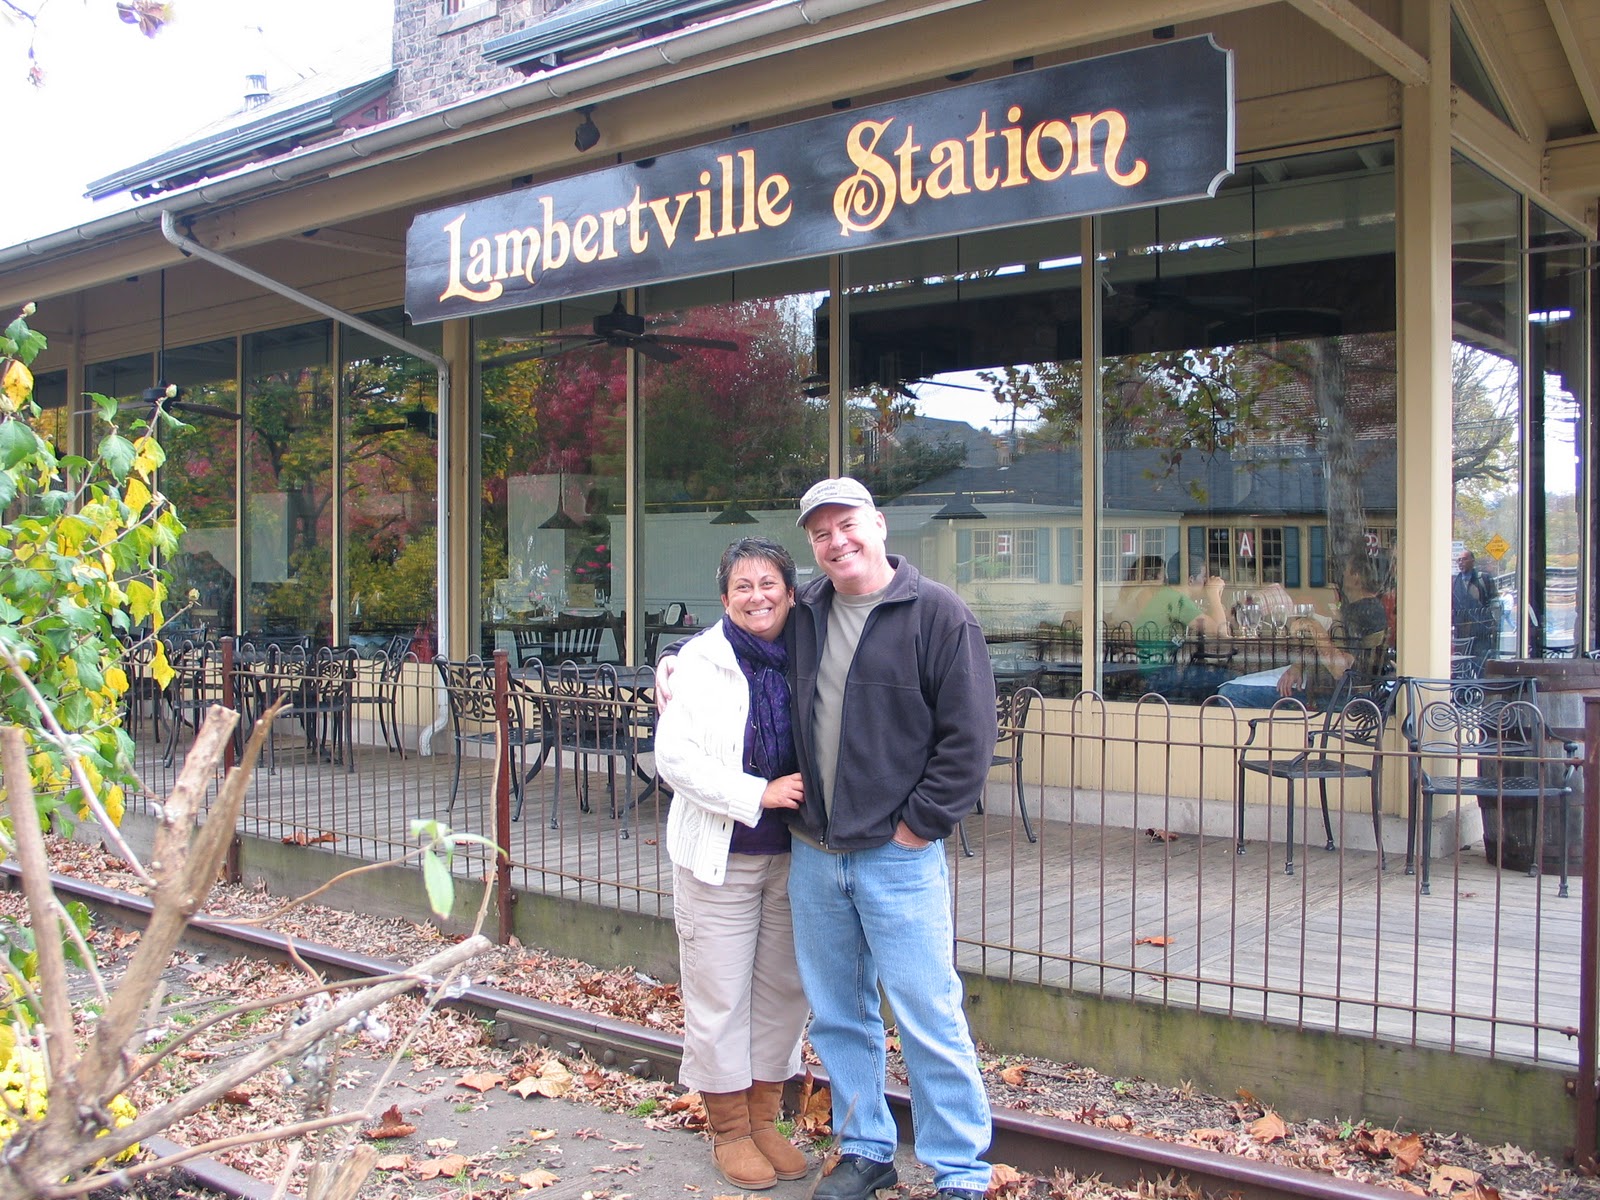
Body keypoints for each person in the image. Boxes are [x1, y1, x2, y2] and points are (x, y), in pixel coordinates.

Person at [788, 477, 996, 1200]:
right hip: (815, 855)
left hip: (896, 857)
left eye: (847, 525)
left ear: (878, 524)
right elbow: (736, 634)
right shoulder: (805, 610)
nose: (836, 542)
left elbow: (968, 741)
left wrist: (918, 827)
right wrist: (675, 664)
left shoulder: (937, 614)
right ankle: (867, 1148)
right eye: (820, 534)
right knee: (840, 1015)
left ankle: (961, 1172)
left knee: (928, 1014)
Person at [653, 537, 811, 1191]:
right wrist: (758, 794)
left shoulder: (811, 645)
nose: (757, 596)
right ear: (724, 598)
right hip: (720, 857)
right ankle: (729, 1131)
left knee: (782, 994)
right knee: (720, 995)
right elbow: (675, 758)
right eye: (742, 586)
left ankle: (765, 1119)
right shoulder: (700, 661)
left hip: (796, 857)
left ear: (791, 592)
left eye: (768, 583)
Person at [1217, 557, 1389, 709]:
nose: (1342, 574)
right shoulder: (1367, 608)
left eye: (1346, 569)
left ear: (1357, 577)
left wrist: (1313, 626)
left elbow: (1341, 671)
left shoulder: (1364, 613)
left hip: (1328, 695)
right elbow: (1331, 648)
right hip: (1315, 680)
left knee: (1229, 693)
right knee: (1235, 681)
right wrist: (1299, 665)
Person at [1452, 550, 1500, 663]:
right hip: (1462, 632)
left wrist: (1494, 623)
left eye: (1464, 559)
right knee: (1462, 663)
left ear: (1472, 561)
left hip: (1481, 631)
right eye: (1459, 560)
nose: (1461, 562)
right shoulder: (1454, 582)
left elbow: (1495, 602)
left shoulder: (1483, 579)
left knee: (1481, 663)